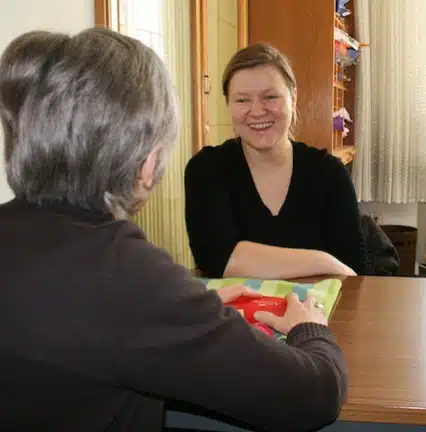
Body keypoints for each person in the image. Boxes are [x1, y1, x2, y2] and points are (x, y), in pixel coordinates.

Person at [0, 28, 347, 432]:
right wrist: (312, 330)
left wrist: (189, 297)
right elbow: (313, 394)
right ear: (148, 163)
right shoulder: (126, 274)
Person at [184, 42, 367, 280]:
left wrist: (249, 259)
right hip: (233, 316)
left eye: (270, 97)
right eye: (242, 100)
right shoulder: (207, 169)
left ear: (293, 97)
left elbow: (354, 268)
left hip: (317, 314)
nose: (257, 111)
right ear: (229, 104)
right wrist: (323, 260)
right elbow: (217, 259)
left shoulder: (329, 174)